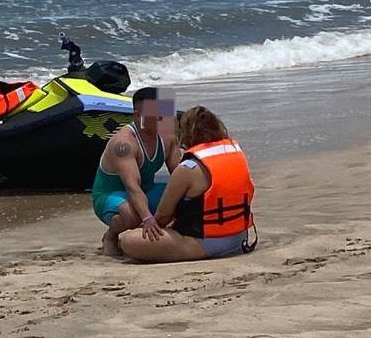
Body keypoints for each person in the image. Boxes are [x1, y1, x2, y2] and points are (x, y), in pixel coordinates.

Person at [118, 106, 257, 262]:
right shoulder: (235, 154)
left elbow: (163, 216)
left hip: (204, 243)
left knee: (127, 239)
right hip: (239, 237)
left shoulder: (187, 168)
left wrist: (147, 226)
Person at [92, 87, 181, 256]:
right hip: (112, 195)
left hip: (146, 190)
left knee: (183, 194)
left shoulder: (168, 135)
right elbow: (133, 187)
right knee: (131, 214)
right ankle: (110, 236)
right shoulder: (123, 144)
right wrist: (147, 218)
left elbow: (179, 174)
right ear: (137, 115)